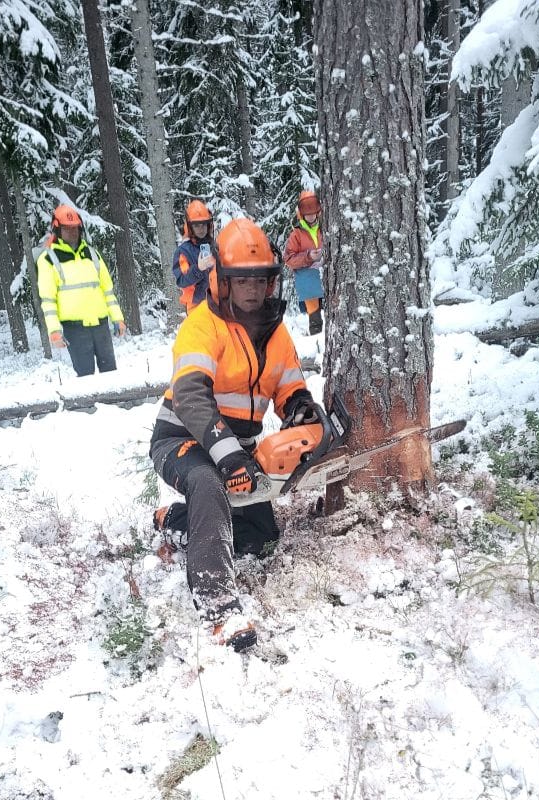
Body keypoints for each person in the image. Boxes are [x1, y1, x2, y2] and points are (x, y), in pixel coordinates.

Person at [150, 217, 317, 652]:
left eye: (260, 280)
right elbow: (190, 396)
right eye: (242, 280)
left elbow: (289, 386)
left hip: (238, 448)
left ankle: (175, 522)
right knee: (207, 483)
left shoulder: (275, 332)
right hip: (182, 439)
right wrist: (227, 456)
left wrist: (300, 409)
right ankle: (217, 606)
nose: (252, 290)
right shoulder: (202, 325)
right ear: (222, 280)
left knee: (260, 538)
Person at [37, 204, 126, 377]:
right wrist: (54, 330)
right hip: (75, 329)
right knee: (85, 378)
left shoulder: (92, 254)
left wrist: (118, 318)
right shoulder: (48, 260)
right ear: (57, 230)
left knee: (111, 375)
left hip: (101, 325)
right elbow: (48, 301)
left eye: (75, 228)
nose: (72, 232)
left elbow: (107, 291)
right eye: (67, 229)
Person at [282, 190, 325, 335]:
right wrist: (308, 257)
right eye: (307, 213)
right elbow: (289, 259)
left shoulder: (325, 228)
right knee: (315, 317)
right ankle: (316, 339)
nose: (311, 215)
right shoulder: (296, 234)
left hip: (327, 276)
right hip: (308, 280)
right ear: (301, 214)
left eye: (313, 212)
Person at [172, 199, 216, 314]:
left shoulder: (215, 247)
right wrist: (198, 269)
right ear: (190, 227)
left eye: (204, 224)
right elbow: (182, 280)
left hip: (217, 303)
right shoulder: (183, 251)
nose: (201, 229)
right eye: (196, 225)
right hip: (196, 305)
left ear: (209, 225)